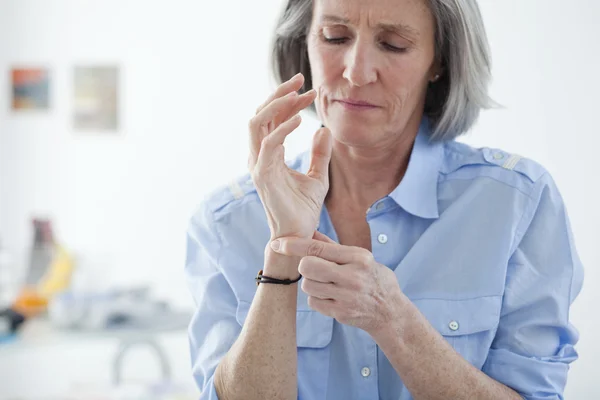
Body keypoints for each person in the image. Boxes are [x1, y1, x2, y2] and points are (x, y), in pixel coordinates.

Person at [185, 0, 583, 398]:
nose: (356, 73)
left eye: (393, 44)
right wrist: (284, 250)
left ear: (439, 61)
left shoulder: (517, 203)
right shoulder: (225, 222)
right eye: (335, 37)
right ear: (303, 42)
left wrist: (392, 318)